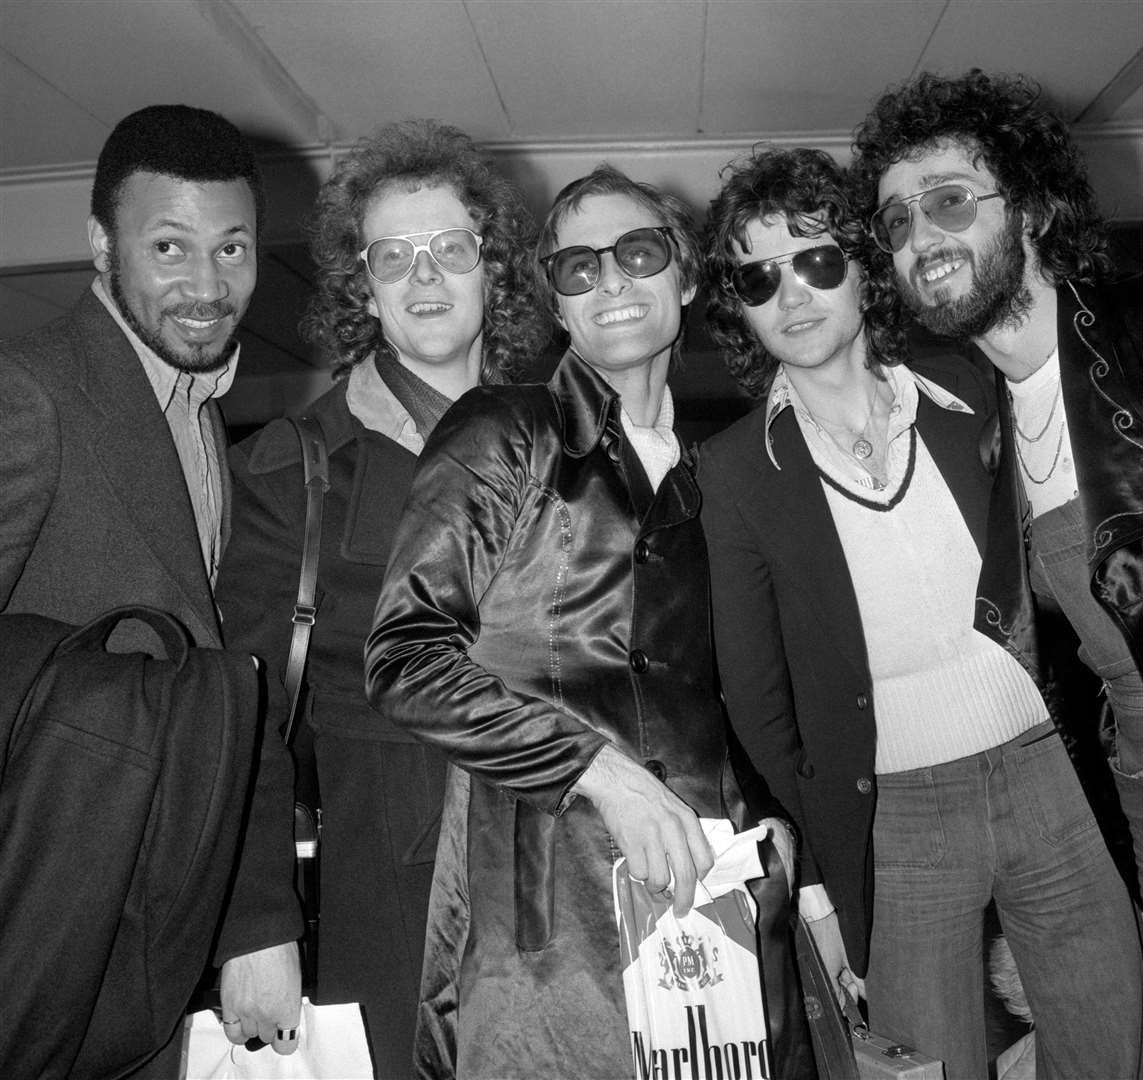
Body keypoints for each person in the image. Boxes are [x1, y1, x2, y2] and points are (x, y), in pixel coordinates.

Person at [851, 68, 1143, 1079]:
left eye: (950, 200)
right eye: (897, 220)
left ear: (1035, 208)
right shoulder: (989, 416)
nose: (921, 237)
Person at [697, 143, 1143, 1078]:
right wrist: (824, 860)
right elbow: (756, 698)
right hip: (893, 819)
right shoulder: (733, 473)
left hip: (1051, 773)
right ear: (738, 306)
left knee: (1113, 1049)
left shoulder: (977, 386)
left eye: (819, 260)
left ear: (866, 269)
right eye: (759, 276)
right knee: (923, 1068)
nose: (794, 293)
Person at [365, 164, 814, 1078]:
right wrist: (600, 772)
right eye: (578, 269)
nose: (609, 281)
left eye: (638, 254)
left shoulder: (710, 470)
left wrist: (773, 827)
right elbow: (403, 657)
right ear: (559, 309)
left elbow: (713, 690)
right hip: (549, 908)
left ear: (684, 280)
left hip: (710, 899)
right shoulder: (504, 429)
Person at [216, 118, 548, 1078]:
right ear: (363, 285)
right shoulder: (293, 468)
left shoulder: (565, 436)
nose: (427, 277)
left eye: (451, 249)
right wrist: (255, 928)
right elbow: (245, 719)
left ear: (492, 266)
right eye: (393, 257)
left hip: (567, 870)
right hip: (398, 888)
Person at [0, 105, 300, 1074]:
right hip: (50, 942)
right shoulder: (28, 394)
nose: (207, 286)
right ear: (99, 246)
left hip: (158, 942)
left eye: (233, 248)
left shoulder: (200, 417)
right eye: (169, 246)